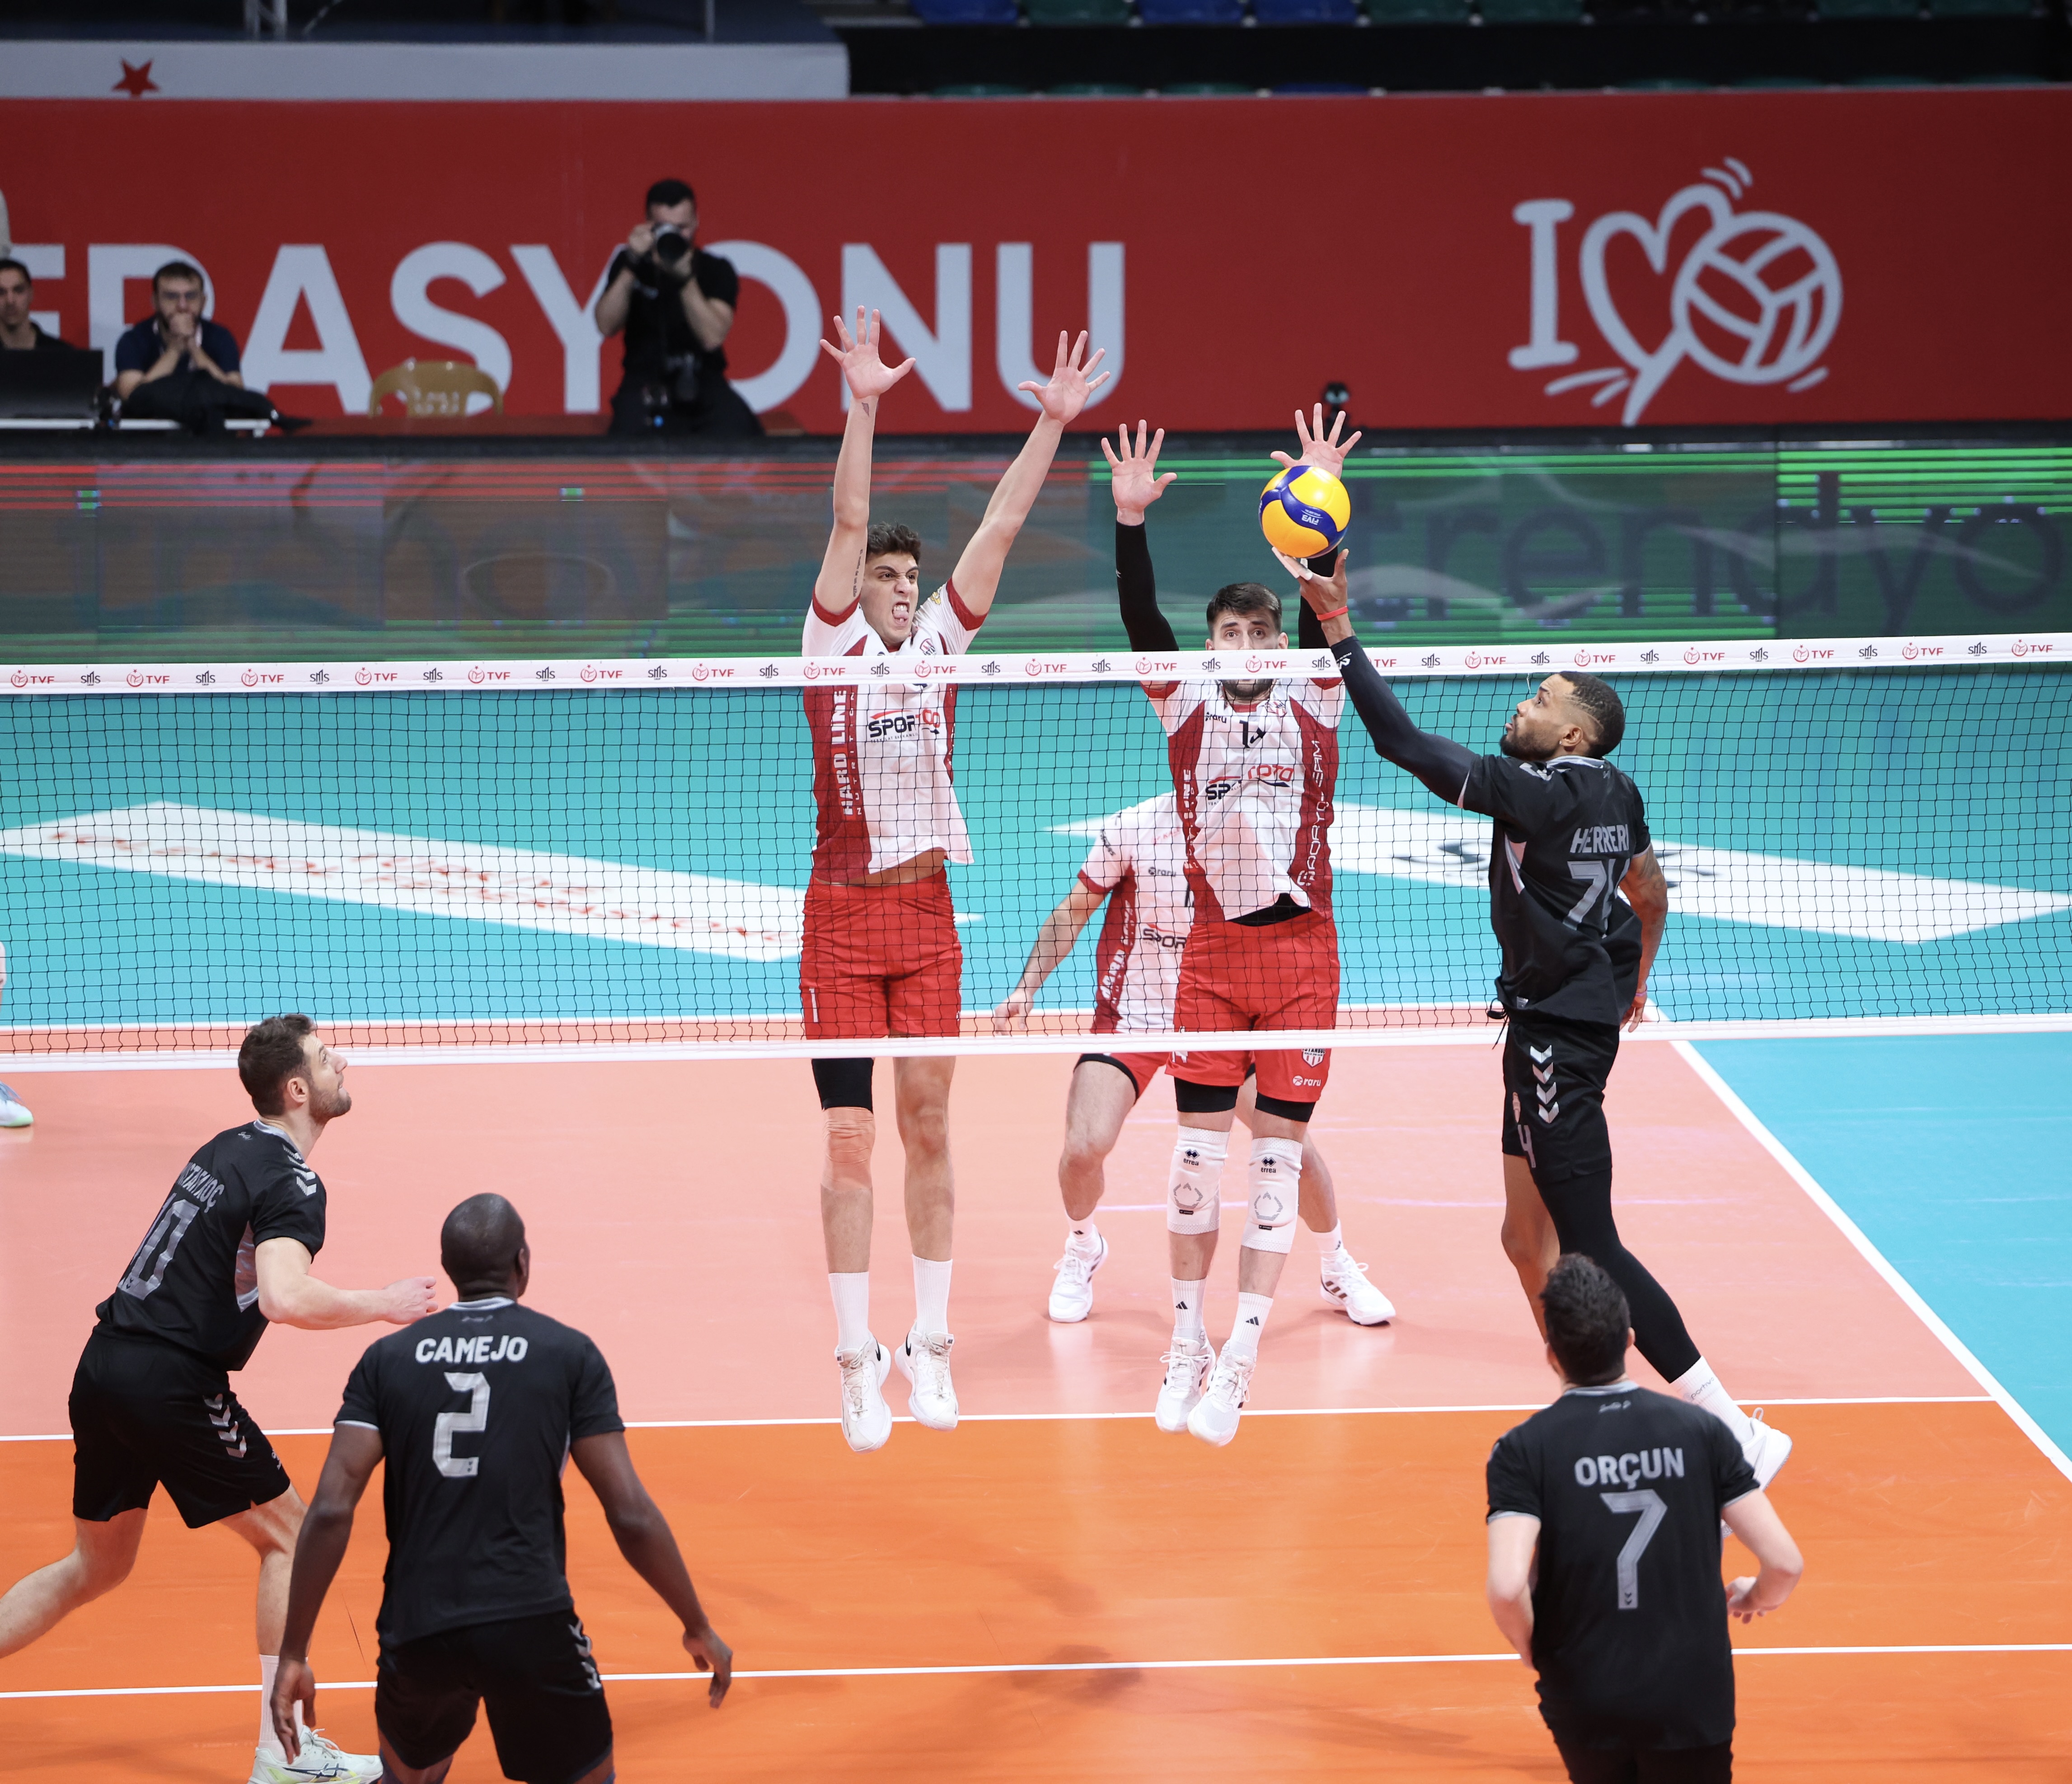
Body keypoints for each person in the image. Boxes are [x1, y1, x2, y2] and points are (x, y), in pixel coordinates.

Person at [1295, 546, 1793, 1487]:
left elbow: (1402, 744)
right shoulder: (1618, 790)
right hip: (1562, 1025)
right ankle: (1585, 1402)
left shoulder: (1536, 795)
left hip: (1556, 1046)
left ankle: (1733, 1431)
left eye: (1540, 699)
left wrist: (1338, 628)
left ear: (1571, 735)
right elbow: (1648, 891)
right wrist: (1634, 982)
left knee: (1592, 1245)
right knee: (1524, 1239)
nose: (1521, 704)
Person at [802, 307, 1105, 1453]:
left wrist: (1052, 423)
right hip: (840, 921)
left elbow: (1003, 523)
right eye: (883, 574)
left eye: (906, 576)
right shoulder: (829, 647)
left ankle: (927, 1342)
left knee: (929, 1125)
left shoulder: (939, 643)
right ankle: (854, 1360)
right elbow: (845, 515)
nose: (897, 587)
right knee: (849, 1142)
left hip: (928, 920)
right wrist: (863, 403)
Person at [0, 1015, 440, 1784]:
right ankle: (285, 1754)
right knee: (294, 1536)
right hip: (168, 1381)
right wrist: (384, 1303)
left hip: (104, 1364)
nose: (342, 1063)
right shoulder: (293, 1180)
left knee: (95, 1566)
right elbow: (283, 1295)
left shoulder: (227, 1146)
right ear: (297, 1088)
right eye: (326, 1058)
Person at [269, 1194, 732, 1784]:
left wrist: (294, 1653)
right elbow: (630, 1513)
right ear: (523, 1262)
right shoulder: (568, 1354)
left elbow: (332, 1509)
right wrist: (696, 1623)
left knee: (408, 1777)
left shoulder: (386, 1360)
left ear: (448, 1267)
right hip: (530, 1617)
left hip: (419, 1622)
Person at [1101, 411, 1353, 1448]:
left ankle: (1239, 1358)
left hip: (1302, 960)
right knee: (1194, 1168)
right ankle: (1184, 1340)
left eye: (1259, 632)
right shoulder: (1183, 706)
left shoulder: (1320, 699)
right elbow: (1139, 619)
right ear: (1210, 648)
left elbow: (1328, 596)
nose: (1245, 645)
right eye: (1229, 634)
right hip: (1209, 959)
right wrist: (1129, 525)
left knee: (1275, 1173)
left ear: (1280, 644)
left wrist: (1322, 511)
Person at [993, 788, 1395, 1331]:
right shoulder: (1133, 827)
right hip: (1135, 1016)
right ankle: (1083, 1245)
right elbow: (1073, 910)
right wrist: (1027, 987)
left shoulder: (1257, 828)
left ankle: (1335, 1263)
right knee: (1084, 1146)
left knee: (1290, 1149)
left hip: (1219, 1020)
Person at [1486, 1254, 1804, 1783]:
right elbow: (1784, 1563)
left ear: (1551, 1355)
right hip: (1691, 1694)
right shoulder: (1703, 1433)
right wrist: (1755, 1596)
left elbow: (1505, 1586)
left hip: (1583, 1691)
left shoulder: (1522, 1450)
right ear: (1630, 1340)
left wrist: (1532, 1649)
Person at [596, 177, 759, 438]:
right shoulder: (630, 264)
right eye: (664, 228)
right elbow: (606, 325)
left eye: (682, 228)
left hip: (703, 380)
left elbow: (712, 337)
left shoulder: (716, 269)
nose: (674, 236)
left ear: (696, 222)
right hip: (643, 382)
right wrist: (632, 263)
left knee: (742, 434)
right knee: (625, 446)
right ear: (648, 225)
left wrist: (685, 279)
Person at [0, 258, 76, 350]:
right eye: (1, 292)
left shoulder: (63, 354)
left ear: (31, 294)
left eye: (19, 290)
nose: (10, 301)